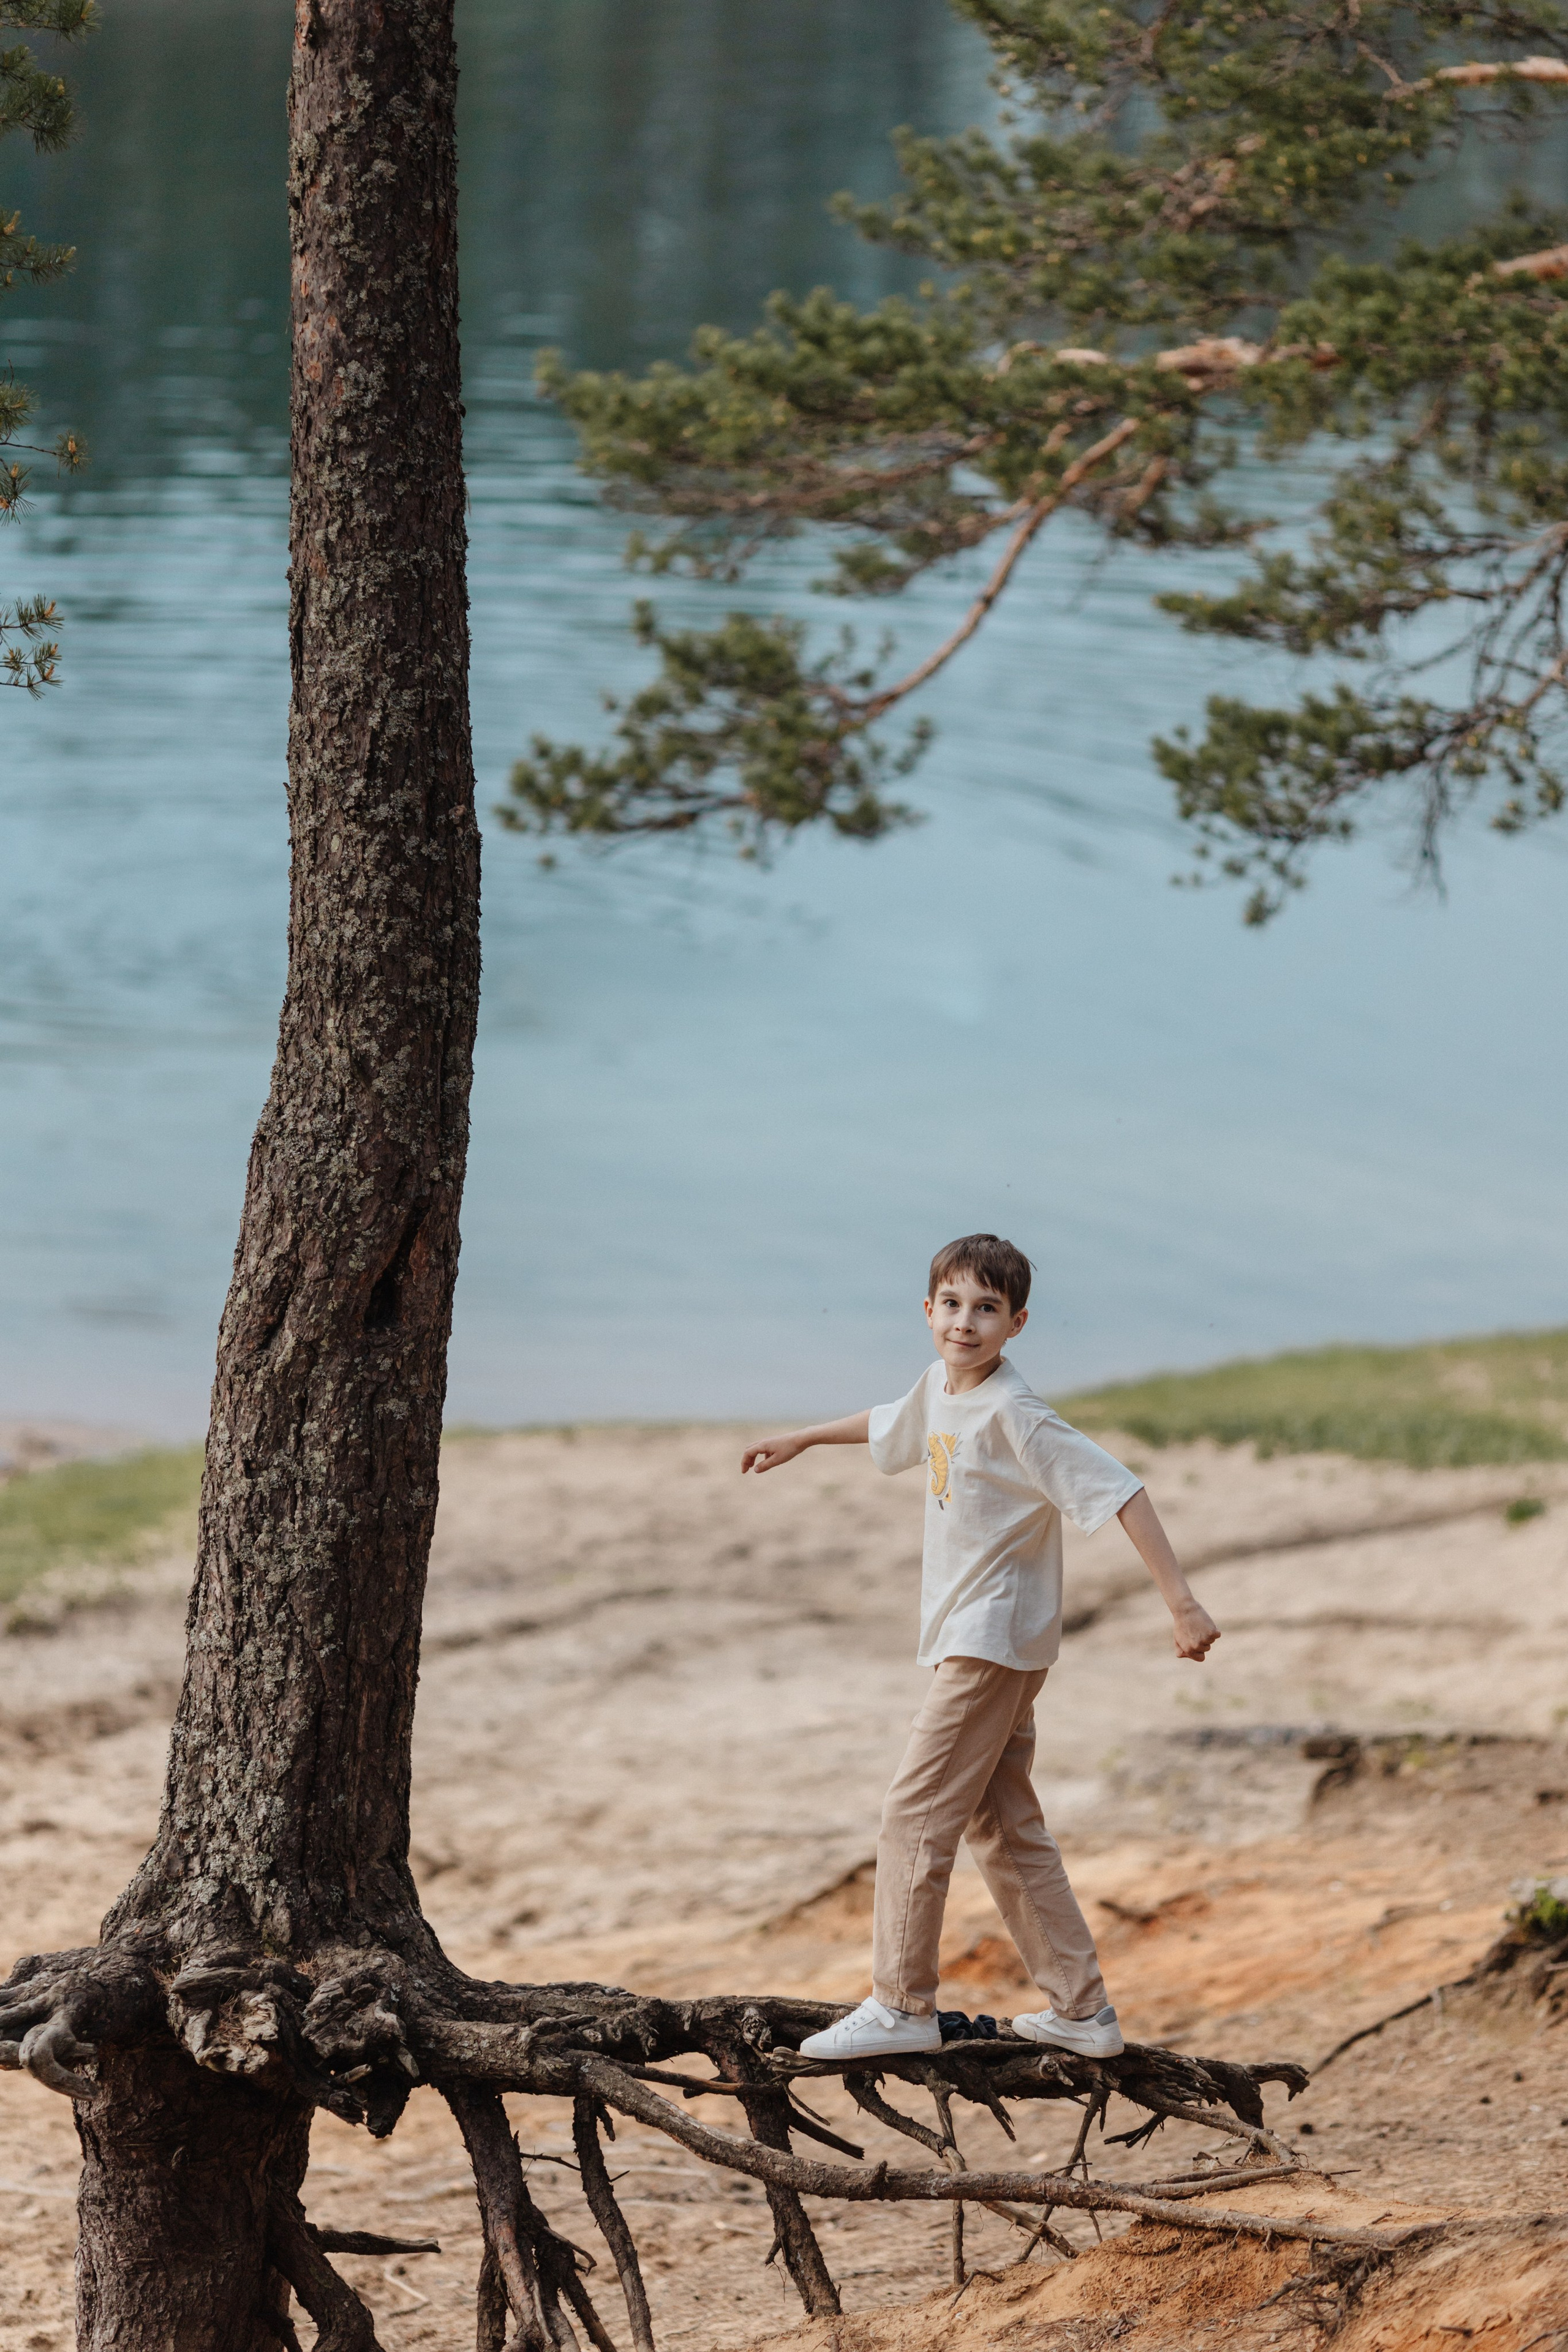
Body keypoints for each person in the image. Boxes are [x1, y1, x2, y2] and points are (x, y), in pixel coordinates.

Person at [741, 1232, 1219, 2060]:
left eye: (987, 1309)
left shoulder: (1016, 1413)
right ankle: (1082, 2012)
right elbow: (891, 1423)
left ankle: (902, 2005)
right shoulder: (940, 1387)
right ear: (928, 1311)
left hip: (992, 1641)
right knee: (1004, 1826)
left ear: (1016, 1323)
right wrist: (804, 1438)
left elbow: (1121, 1492)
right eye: (953, 1305)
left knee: (914, 1813)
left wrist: (1182, 1605)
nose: (966, 1323)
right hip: (976, 1636)